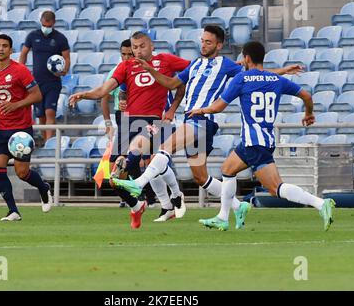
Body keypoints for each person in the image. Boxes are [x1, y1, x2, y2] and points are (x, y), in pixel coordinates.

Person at [112, 25, 303, 230]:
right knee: (201, 177)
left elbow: (256, 74)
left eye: (208, 42)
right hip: (192, 119)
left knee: (165, 148)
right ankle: (239, 206)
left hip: (202, 120)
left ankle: (138, 183)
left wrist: (282, 71)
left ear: (219, 45)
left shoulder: (226, 64)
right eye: (202, 41)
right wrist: (151, 70)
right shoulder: (194, 65)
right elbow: (171, 83)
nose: (203, 45)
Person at [186, 41, 335, 231]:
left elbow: (219, 106)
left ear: (247, 58)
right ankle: (224, 216)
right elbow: (306, 95)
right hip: (263, 139)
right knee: (228, 169)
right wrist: (308, 114)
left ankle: (320, 204)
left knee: (275, 188)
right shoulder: (276, 80)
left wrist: (201, 110)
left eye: (242, 57)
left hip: (253, 143)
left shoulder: (242, 79)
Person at [69, 31, 190, 228]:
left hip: (154, 121)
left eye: (142, 46)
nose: (138, 51)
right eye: (135, 47)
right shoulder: (126, 66)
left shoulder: (165, 61)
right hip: (128, 123)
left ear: (151, 46)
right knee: (114, 177)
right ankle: (137, 205)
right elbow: (103, 90)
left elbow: (194, 71)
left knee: (134, 155)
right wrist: (85, 94)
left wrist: (174, 107)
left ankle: (173, 197)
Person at [0, 34, 53, 222]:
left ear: (10, 50)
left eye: (5, 46)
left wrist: (16, 105)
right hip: (1, 129)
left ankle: (43, 188)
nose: (1, 49)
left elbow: (37, 95)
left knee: (22, 173)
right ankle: (13, 211)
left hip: (21, 130)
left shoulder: (20, 71)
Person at [19, 10, 71, 143]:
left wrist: (64, 70)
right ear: (41, 22)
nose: (46, 28)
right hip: (36, 83)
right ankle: (45, 139)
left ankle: (49, 142)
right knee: (40, 114)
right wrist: (21, 69)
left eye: (49, 26)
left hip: (53, 82)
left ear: (53, 23)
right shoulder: (33, 36)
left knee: (50, 112)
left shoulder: (60, 38)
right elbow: (24, 52)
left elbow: (66, 57)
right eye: (44, 25)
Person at [100, 39, 133, 208]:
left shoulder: (141, 70)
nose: (126, 57)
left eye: (130, 54)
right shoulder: (115, 71)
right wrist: (107, 122)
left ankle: (148, 197)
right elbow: (104, 97)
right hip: (122, 117)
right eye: (123, 54)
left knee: (139, 158)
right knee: (119, 160)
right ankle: (127, 196)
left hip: (139, 115)